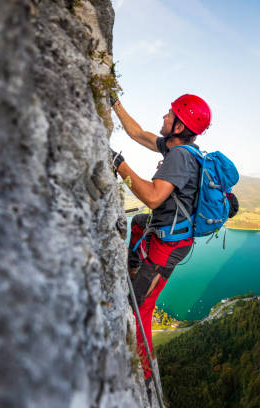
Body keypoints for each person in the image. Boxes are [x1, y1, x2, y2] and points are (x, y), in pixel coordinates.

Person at [110, 94, 211, 381]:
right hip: (168, 234)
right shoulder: (176, 149)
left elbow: (153, 197)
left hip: (169, 246)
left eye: (170, 114)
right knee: (140, 222)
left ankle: (143, 375)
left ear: (179, 127)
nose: (164, 116)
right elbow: (137, 133)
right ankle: (133, 266)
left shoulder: (179, 157)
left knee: (140, 305)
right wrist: (114, 103)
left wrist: (119, 164)